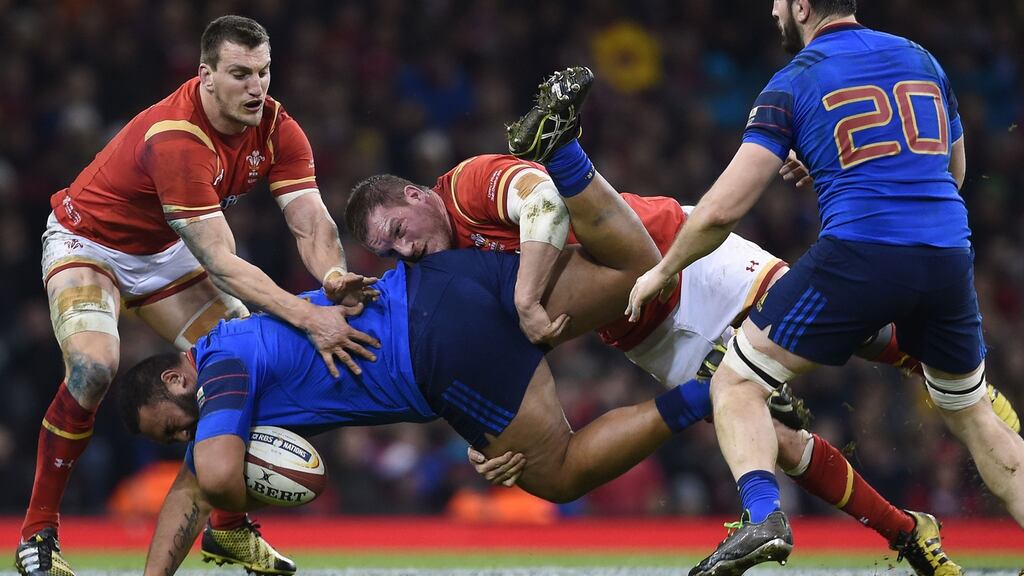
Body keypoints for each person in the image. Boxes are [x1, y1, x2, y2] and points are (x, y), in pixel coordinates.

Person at [341, 69, 1024, 576]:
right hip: (643, 327)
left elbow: (540, 202)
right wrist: (485, 435)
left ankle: (957, 378)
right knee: (776, 439)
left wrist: (525, 297)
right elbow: (485, 356)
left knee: (842, 328)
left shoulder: (463, 188)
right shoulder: (432, 276)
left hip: (677, 251)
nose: (405, 249)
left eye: (401, 229)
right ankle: (910, 534)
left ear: (415, 194)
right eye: (387, 249)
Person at [119, 245, 960, 576]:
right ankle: (908, 355)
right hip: (476, 281)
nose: (189, 441)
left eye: (176, 427)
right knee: (644, 267)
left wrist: (237, 510)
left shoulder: (222, 360)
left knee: (555, 470)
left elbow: (218, 473)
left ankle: (712, 389)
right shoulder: (242, 365)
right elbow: (196, 487)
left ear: (174, 381)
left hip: (437, 351)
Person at [624, 1, 1024, 573]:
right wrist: (842, 164)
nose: (772, 10)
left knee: (736, 381)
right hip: (947, 257)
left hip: (861, 254)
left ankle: (763, 515)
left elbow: (724, 208)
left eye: (781, 2)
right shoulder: (921, 59)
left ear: (803, 7)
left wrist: (662, 271)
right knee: (976, 418)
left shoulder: (796, 79)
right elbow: (950, 174)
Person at [17, 15, 380, 576]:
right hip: (89, 243)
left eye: (262, 72)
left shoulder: (278, 126)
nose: (255, 87)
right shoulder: (176, 139)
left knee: (238, 362)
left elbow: (312, 222)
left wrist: (331, 278)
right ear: (206, 76)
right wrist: (311, 317)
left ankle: (228, 531)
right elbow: (222, 264)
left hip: (165, 255)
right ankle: (38, 534)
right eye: (239, 74)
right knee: (93, 365)